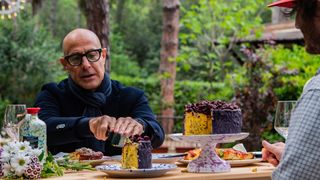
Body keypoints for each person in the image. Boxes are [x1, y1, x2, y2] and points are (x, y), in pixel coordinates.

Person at [34, 28, 165, 156]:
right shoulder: (52, 94)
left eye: (92, 55)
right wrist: (87, 125)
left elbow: (158, 133)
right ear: (65, 64)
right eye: (75, 58)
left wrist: (141, 125)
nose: (86, 65)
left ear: (103, 56)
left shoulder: (132, 97)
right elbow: (38, 130)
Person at [263, 0, 320, 179]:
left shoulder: (317, 93)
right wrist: (296, 156)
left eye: (299, 10)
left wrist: (294, 166)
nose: (297, 23)